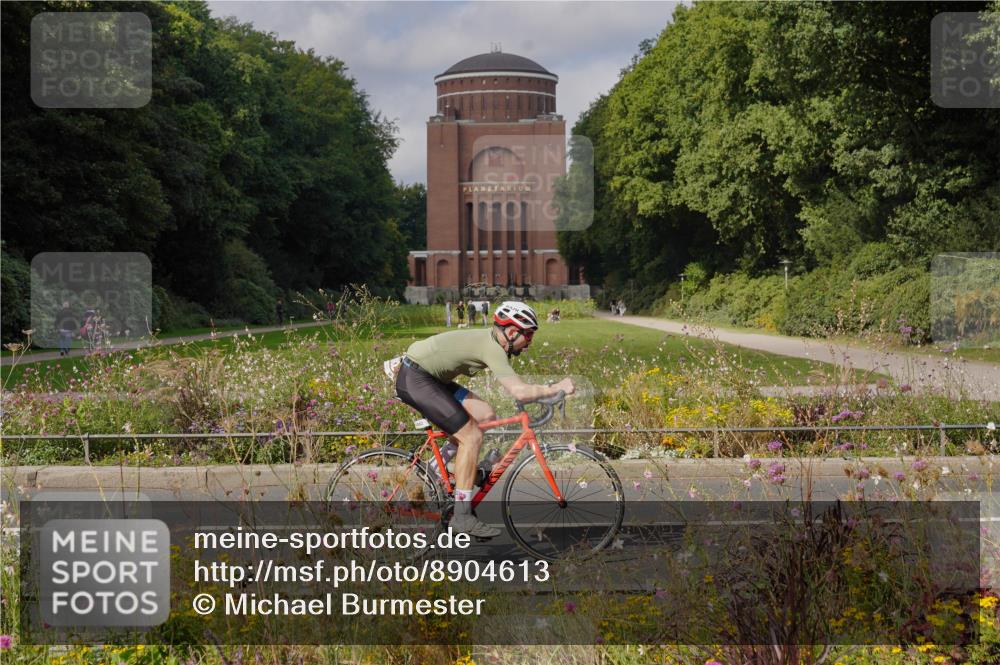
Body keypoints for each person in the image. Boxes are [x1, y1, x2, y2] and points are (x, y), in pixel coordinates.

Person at [394, 301, 575, 538]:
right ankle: (462, 515)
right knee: (471, 437)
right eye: (528, 335)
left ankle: (441, 470)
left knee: (486, 415)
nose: (530, 341)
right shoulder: (493, 348)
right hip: (417, 379)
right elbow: (519, 392)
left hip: (430, 377)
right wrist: (556, 387)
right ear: (512, 332)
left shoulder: (493, 341)